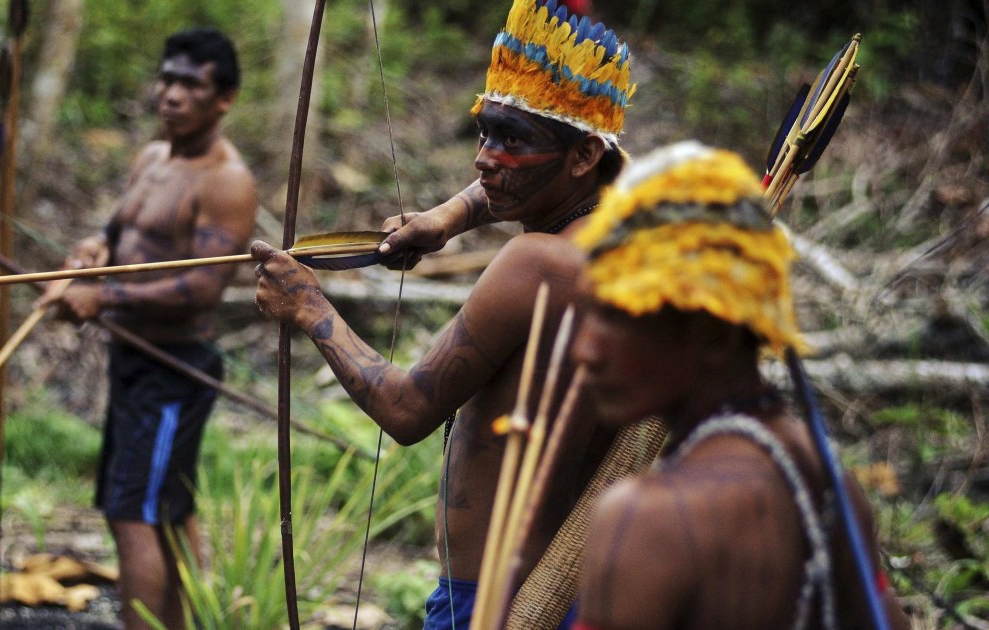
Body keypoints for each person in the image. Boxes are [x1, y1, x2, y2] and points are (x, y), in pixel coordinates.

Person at [252, 1, 635, 627]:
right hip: (569, 589)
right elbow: (528, 179)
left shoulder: (536, 264)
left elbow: (406, 411)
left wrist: (308, 307)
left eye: (513, 140)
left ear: (584, 156)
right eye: (485, 132)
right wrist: (448, 218)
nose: (484, 158)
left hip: (491, 603)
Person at [567, 141, 910, 629]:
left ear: (714, 334)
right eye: (587, 315)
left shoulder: (647, 519)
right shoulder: (828, 480)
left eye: (619, 316)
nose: (586, 351)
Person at [39, 28, 257, 630]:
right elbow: (117, 233)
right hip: (132, 361)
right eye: (168, 79)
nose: (172, 95)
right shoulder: (152, 159)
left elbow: (205, 287)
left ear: (225, 99)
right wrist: (91, 254)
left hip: (174, 369)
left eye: (191, 84)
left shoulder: (227, 181)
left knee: (134, 513)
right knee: (165, 508)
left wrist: (101, 296)